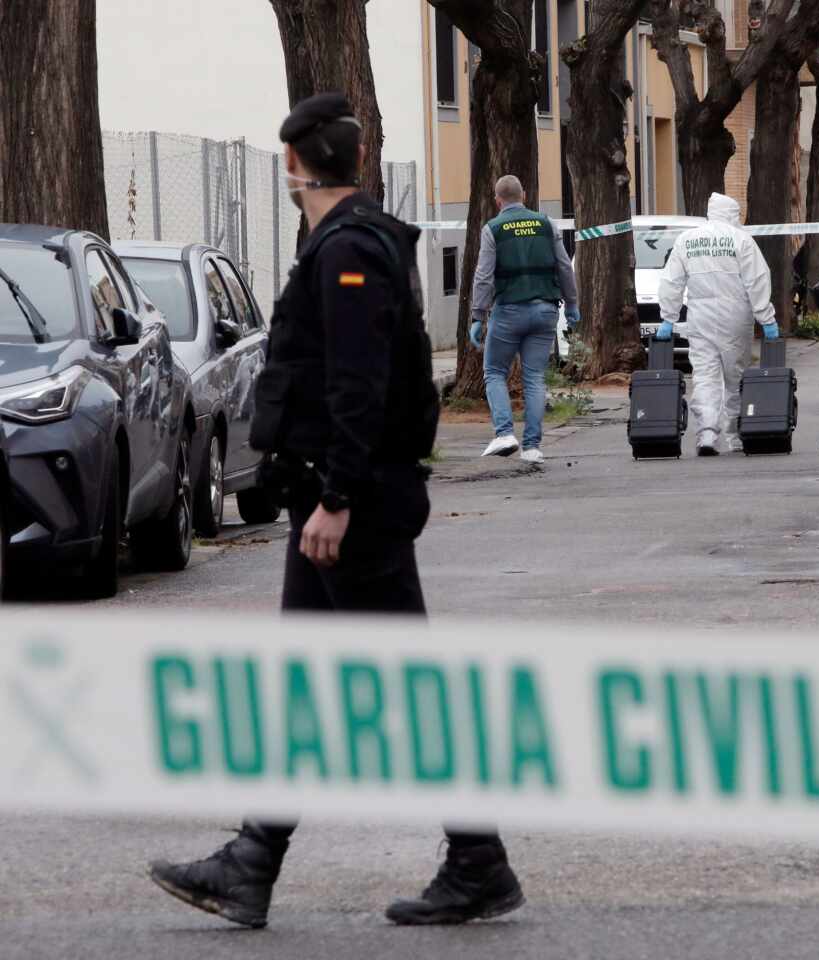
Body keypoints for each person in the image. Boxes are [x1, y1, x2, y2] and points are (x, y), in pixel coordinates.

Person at [145, 93, 525, 930]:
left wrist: (337, 498)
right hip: (337, 499)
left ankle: (477, 860)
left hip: (352, 507)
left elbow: (359, 385)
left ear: (293, 165)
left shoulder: (349, 249)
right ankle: (254, 862)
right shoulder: (345, 239)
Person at [653, 192, 778, 456]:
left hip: (700, 317)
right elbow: (757, 280)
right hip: (735, 316)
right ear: (733, 214)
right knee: (736, 377)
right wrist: (766, 317)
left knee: (705, 376)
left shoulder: (687, 240)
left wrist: (668, 317)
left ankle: (707, 433)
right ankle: (736, 435)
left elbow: (671, 281)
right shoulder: (741, 240)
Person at [470, 174, 581, 464]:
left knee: (494, 372)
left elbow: (483, 276)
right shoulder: (546, 224)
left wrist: (478, 315)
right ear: (524, 196)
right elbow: (564, 266)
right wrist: (572, 304)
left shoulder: (493, 229)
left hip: (508, 311)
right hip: (545, 311)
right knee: (534, 378)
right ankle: (532, 447)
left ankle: (505, 433)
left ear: (498, 201)